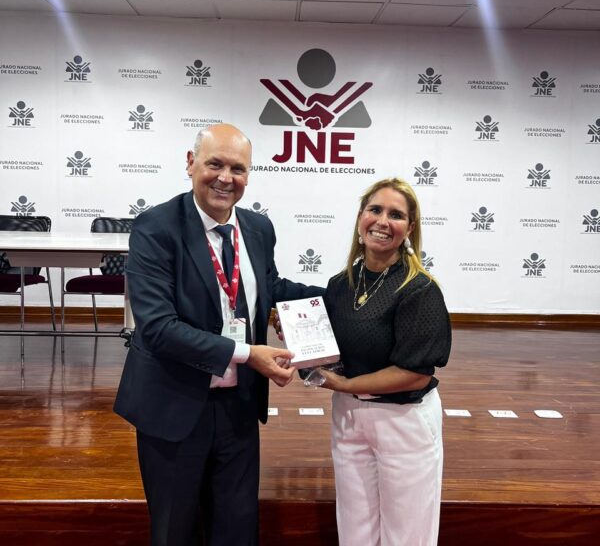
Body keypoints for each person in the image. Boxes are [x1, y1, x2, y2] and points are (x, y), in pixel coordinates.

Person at [114, 123, 324, 546]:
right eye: (215, 164)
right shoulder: (156, 228)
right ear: (191, 163)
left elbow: (270, 288)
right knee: (175, 531)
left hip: (238, 408)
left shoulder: (258, 228)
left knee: (237, 529)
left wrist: (344, 295)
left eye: (238, 168)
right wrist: (248, 354)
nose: (226, 178)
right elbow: (158, 328)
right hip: (173, 406)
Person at [317, 178, 451, 546]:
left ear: (410, 228)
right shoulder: (341, 284)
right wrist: (300, 339)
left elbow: (414, 375)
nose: (382, 221)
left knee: (407, 535)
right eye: (375, 210)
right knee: (355, 530)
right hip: (348, 417)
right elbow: (333, 349)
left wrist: (345, 384)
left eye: (396, 215)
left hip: (402, 420)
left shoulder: (419, 289)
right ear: (361, 217)